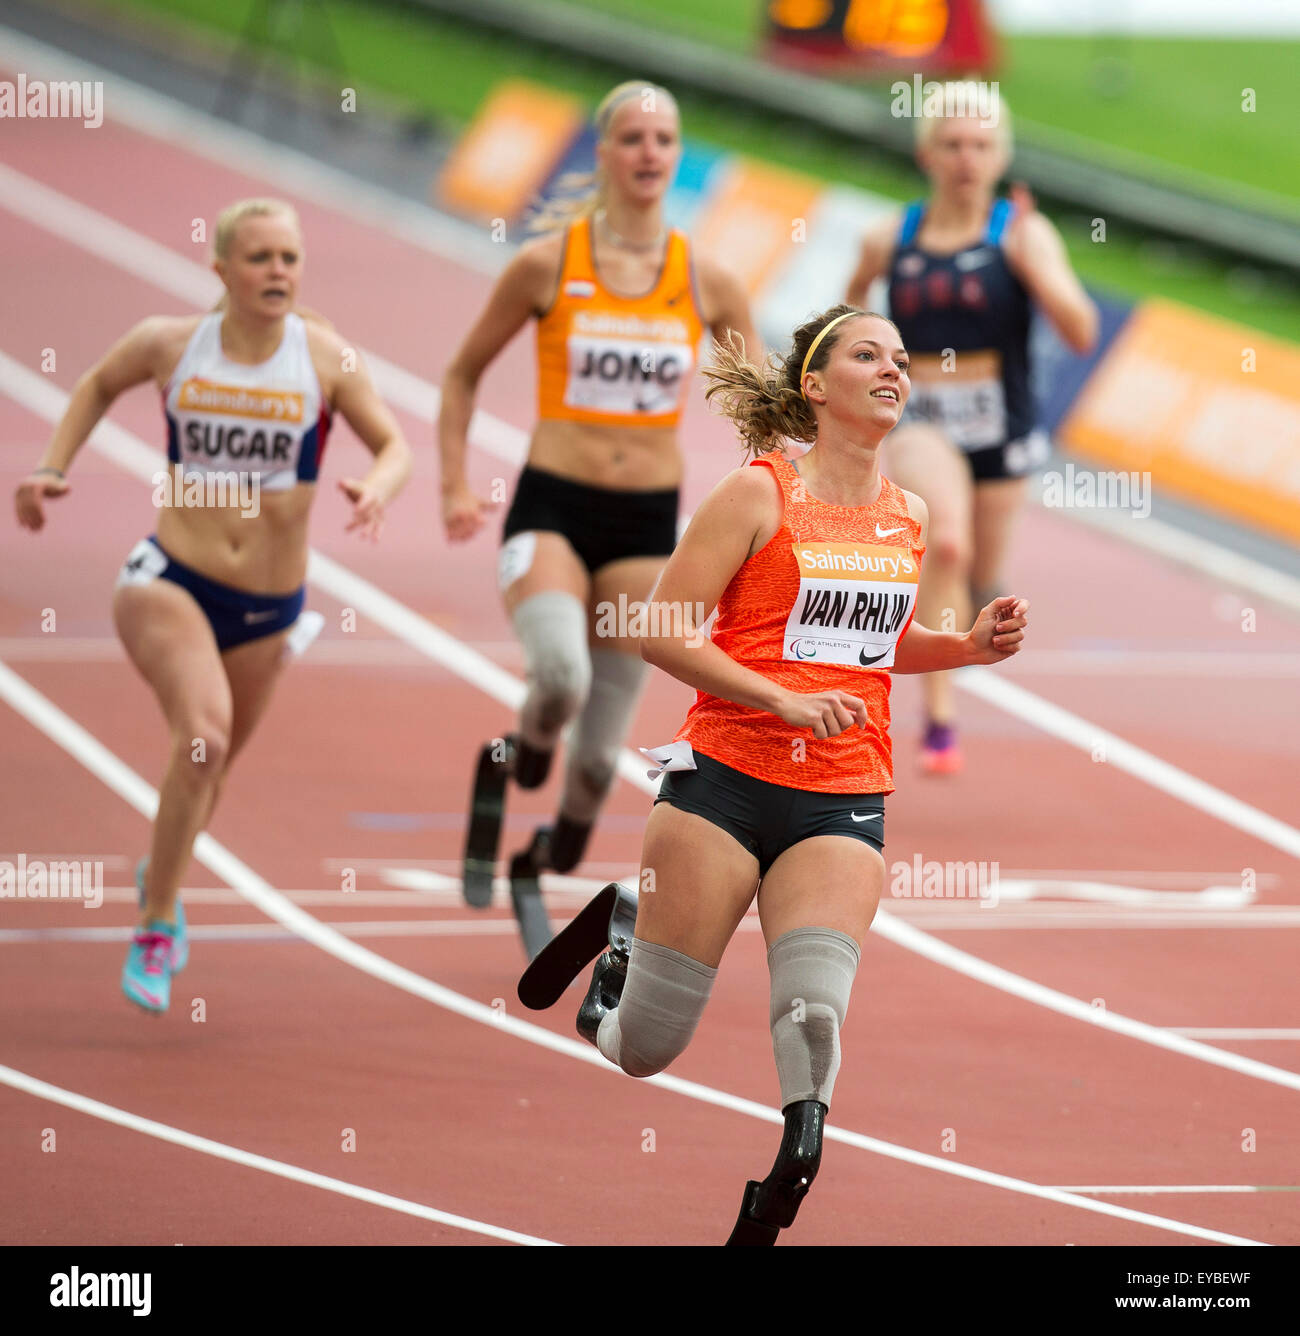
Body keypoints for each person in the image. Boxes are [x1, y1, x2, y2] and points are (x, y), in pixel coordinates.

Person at [520, 306, 1029, 1244]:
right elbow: (660, 629)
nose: (893, 370)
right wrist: (777, 701)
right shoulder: (756, 494)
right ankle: (618, 939)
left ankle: (790, 1172)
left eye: (902, 360)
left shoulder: (906, 516)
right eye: (868, 355)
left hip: (842, 800)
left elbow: (874, 647)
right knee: (645, 1050)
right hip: (724, 786)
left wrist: (960, 647)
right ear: (815, 384)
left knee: (813, 1016)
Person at [14, 198, 412, 1013]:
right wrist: (53, 467)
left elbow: (395, 443)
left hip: (269, 604)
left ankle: (160, 869)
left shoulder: (327, 358)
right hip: (171, 580)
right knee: (202, 735)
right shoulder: (171, 344)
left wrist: (376, 488)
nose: (277, 272)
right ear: (221, 267)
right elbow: (95, 383)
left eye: (290, 259)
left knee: (210, 765)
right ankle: (158, 922)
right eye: (260, 257)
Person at [440, 79, 759, 912]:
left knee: (596, 764)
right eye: (633, 137)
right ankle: (520, 749)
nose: (650, 152)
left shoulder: (709, 282)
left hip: (645, 524)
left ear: (677, 156)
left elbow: (759, 414)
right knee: (557, 675)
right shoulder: (548, 264)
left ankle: (547, 848)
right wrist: (453, 482)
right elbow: (463, 372)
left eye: (665, 138)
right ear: (605, 152)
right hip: (554, 505)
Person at [846, 86, 1094, 773]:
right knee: (944, 545)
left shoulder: (1021, 234)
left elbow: (1080, 332)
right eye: (952, 145)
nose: (966, 159)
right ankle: (941, 723)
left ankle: (971, 623)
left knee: (983, 576)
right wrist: (867, 365)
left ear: (1001, 155)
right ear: (927, 152)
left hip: (1002, 430)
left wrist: (1038, 273)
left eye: (981, 146)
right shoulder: (890, 235)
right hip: (922, 419)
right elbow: (848, 310)